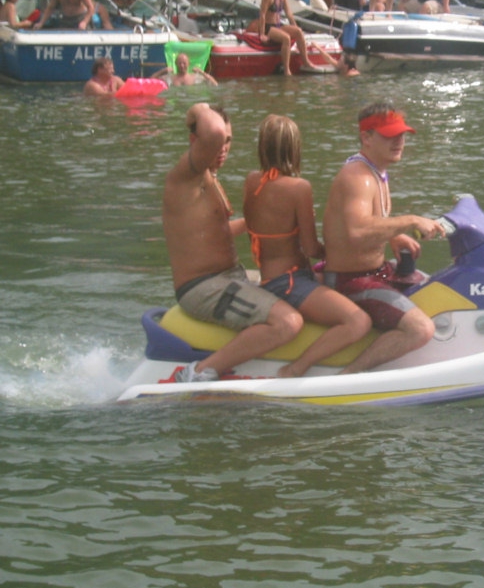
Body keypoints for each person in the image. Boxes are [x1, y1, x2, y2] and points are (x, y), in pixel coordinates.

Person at [164, 103, 303, 382]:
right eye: (219, 142)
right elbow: (213, 131)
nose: (223, 147)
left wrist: (274, 223)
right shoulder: (186, 176)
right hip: (203, 287)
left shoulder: (209, 179)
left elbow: (218, 231)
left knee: (295, 282)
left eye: (228, 141)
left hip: (229, 277)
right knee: (288, 322)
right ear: (195, 140)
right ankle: (198, 373)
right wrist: (199, 108)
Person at [321, 102, 448, 373]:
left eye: (401, 134)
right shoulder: (357, 177)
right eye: (390, 135)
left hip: (374, 272)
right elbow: (357, 231)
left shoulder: (376, 171)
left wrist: (394, 236)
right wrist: (410, 221)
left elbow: (363, 223)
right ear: (366, 138)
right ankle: (348, 376)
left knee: (432, 287)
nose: (399, 142)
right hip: (350, 281)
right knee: (421, 329)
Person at [243, 115, 372, 378]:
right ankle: (295, 369)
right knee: (358, 321)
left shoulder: (252, 181)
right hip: (289, 282)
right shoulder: (299, 188)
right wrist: (337, 251)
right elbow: (312, 248)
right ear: (295, 149)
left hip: (271, 276)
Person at [258, 0, 314, 76]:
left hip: (278, 25)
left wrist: (295, 27)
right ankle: (286, 70)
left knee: (298, 31)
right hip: (268, 27)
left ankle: (306, 62)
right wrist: (262, 34)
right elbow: (262, 14)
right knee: (286, 38)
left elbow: (289, 14)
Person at [153, 52, 219, 86]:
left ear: (188, 64)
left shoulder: (195, 77)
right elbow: (151, 80)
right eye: (180, 63)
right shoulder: (170, 78)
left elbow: (215, 84)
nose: (182, 65)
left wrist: (201, 72)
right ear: (176, 64)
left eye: (184, 63)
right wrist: (162, 71)